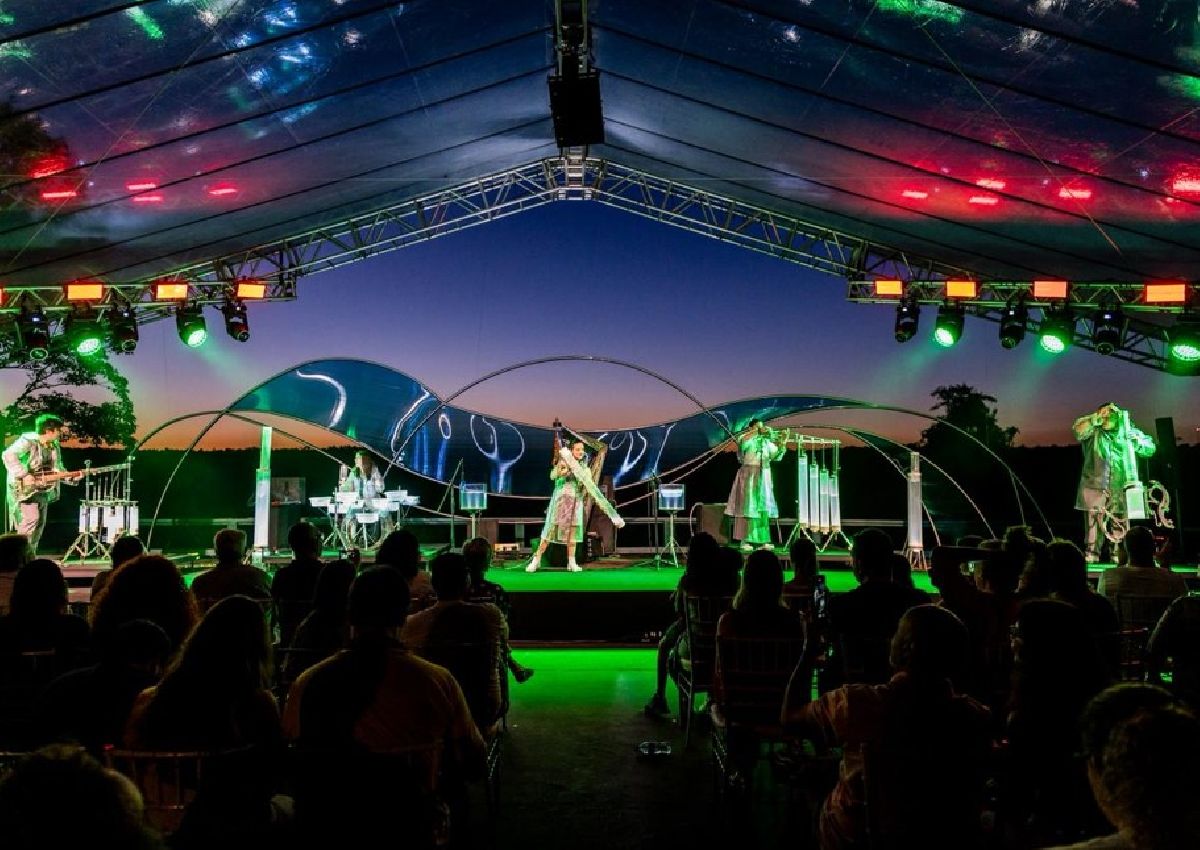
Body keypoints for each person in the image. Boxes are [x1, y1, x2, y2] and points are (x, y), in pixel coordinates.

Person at [1073, 403, 1155, 564]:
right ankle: (1091, 557)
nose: (1107, 414)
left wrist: (1137, 441)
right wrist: (1093, 419)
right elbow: (1078, 430)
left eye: (1111, 412)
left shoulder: (1128, 431)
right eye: (1103, 412)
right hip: (1094, 487)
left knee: (1120, 526)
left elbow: (1150, 448)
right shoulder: (1093, 432)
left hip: (1121, 488)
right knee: (1093, 528)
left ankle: (1119, 557)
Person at [2, 414, 82, 553]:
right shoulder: (28, 441)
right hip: (25, 490)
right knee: (31, 520)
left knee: (39, 524)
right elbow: (8, 455)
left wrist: (70, 478)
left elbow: (57, 469)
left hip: (42, 489)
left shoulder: (53, 446)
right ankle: (18, 556)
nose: (60, 433)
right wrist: (24, 474)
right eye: (58, 430)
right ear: (49, 430)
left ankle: (30, 555)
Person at [724, 419, 789, 552]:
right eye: (758, 427)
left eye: (762, 427)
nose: (761, 429)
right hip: (748, 475)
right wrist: (756, 432)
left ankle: (762, 540)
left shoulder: (766, 442)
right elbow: (742, 446)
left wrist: (782, 442)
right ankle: (744, 540)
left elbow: (776, 456)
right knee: (747, 507)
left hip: (763, 475)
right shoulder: (745, 438)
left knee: (762, 508)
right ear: (751, 428)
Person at [527, 439, 589, 573]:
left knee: (572, 534)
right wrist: (562, 471)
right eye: (577, 449)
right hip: (560, 501)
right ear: (571, 450)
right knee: (549, 532)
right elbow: (552, 476)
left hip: (574, 503)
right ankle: (535, 561)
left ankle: (571, 563)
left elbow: (585, 482)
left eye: (582, 449)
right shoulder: (562, 462)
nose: (580, 452)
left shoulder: (583, 467)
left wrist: (579, 474)